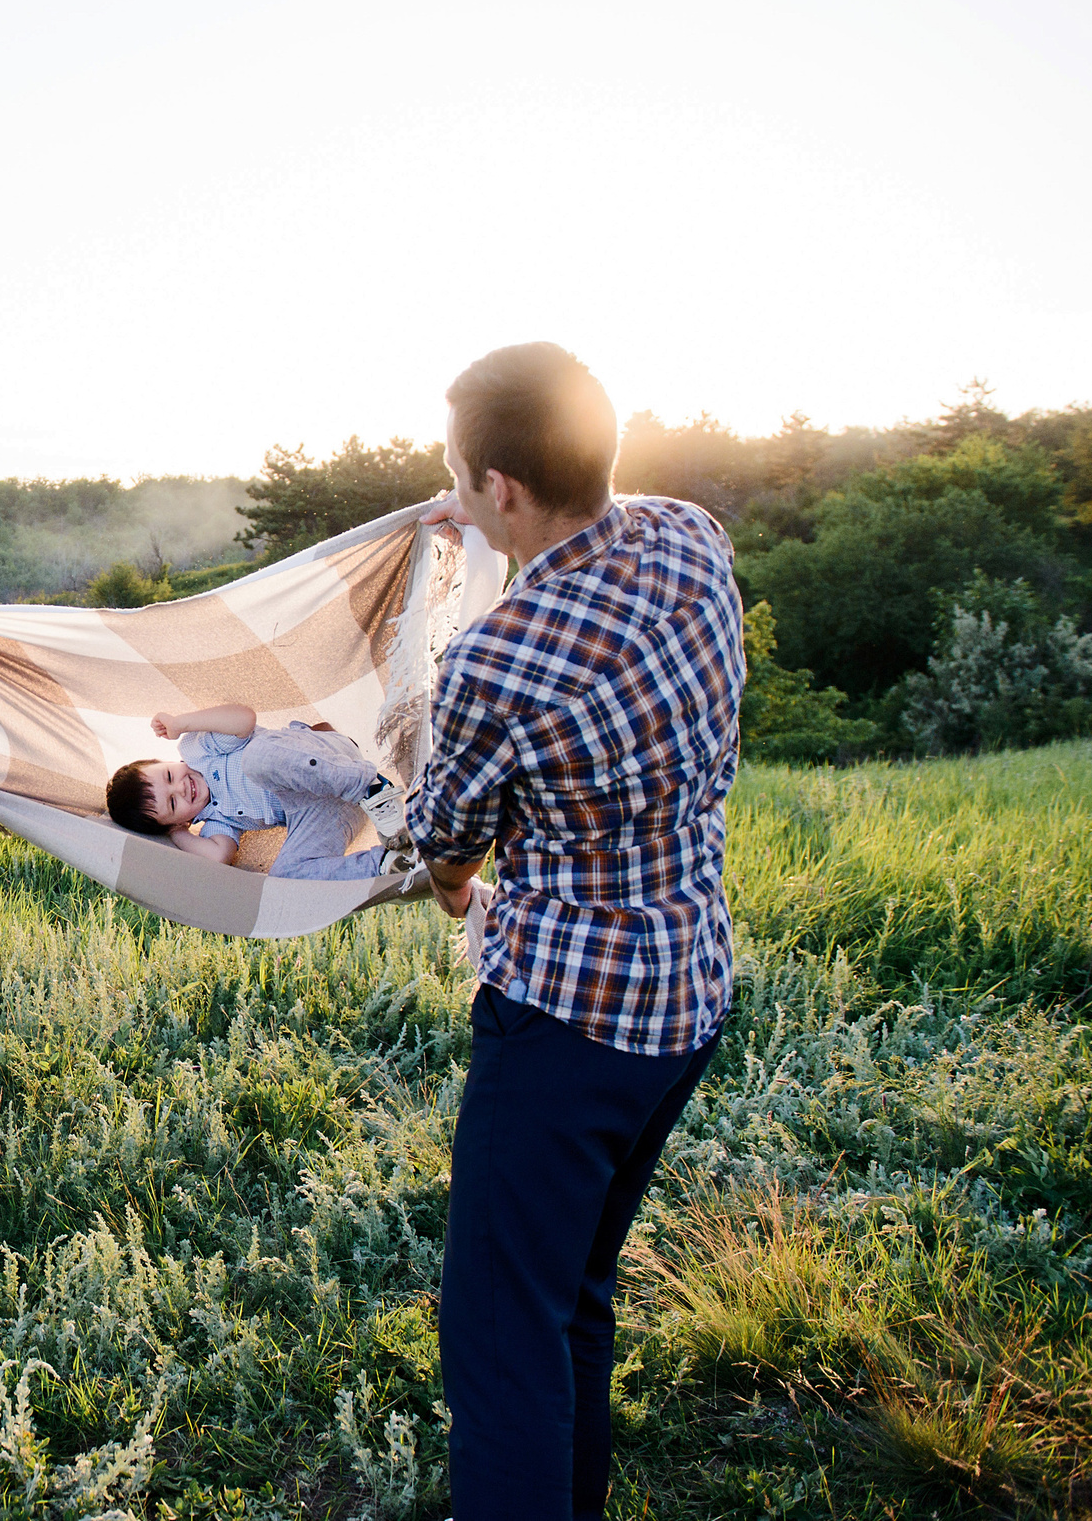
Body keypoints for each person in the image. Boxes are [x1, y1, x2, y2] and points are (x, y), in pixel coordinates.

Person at [409, 343, 744, 1521]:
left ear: (499, 486)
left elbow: (446, 842)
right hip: (689, 988)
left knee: (500, 1330)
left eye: (456, 471)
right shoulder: (687, 533)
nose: (449, 487)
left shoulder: (495, 658)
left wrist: (453, 883)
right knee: (574, 1291)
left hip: (566, 1020)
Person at [102, 704, 391, 879]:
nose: (181, 787)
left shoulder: (201, 751)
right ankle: (387, 864)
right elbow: (218, 857)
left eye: (168, 776)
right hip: (325, 813)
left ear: (164, 760)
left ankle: (372, 787)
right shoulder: (217, 822)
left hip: (329, 763)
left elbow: (244, 719)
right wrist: (175, 832)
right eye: (173, 803)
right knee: (285, 875)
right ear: (179, 820)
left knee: (256, 757)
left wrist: (182, 723)